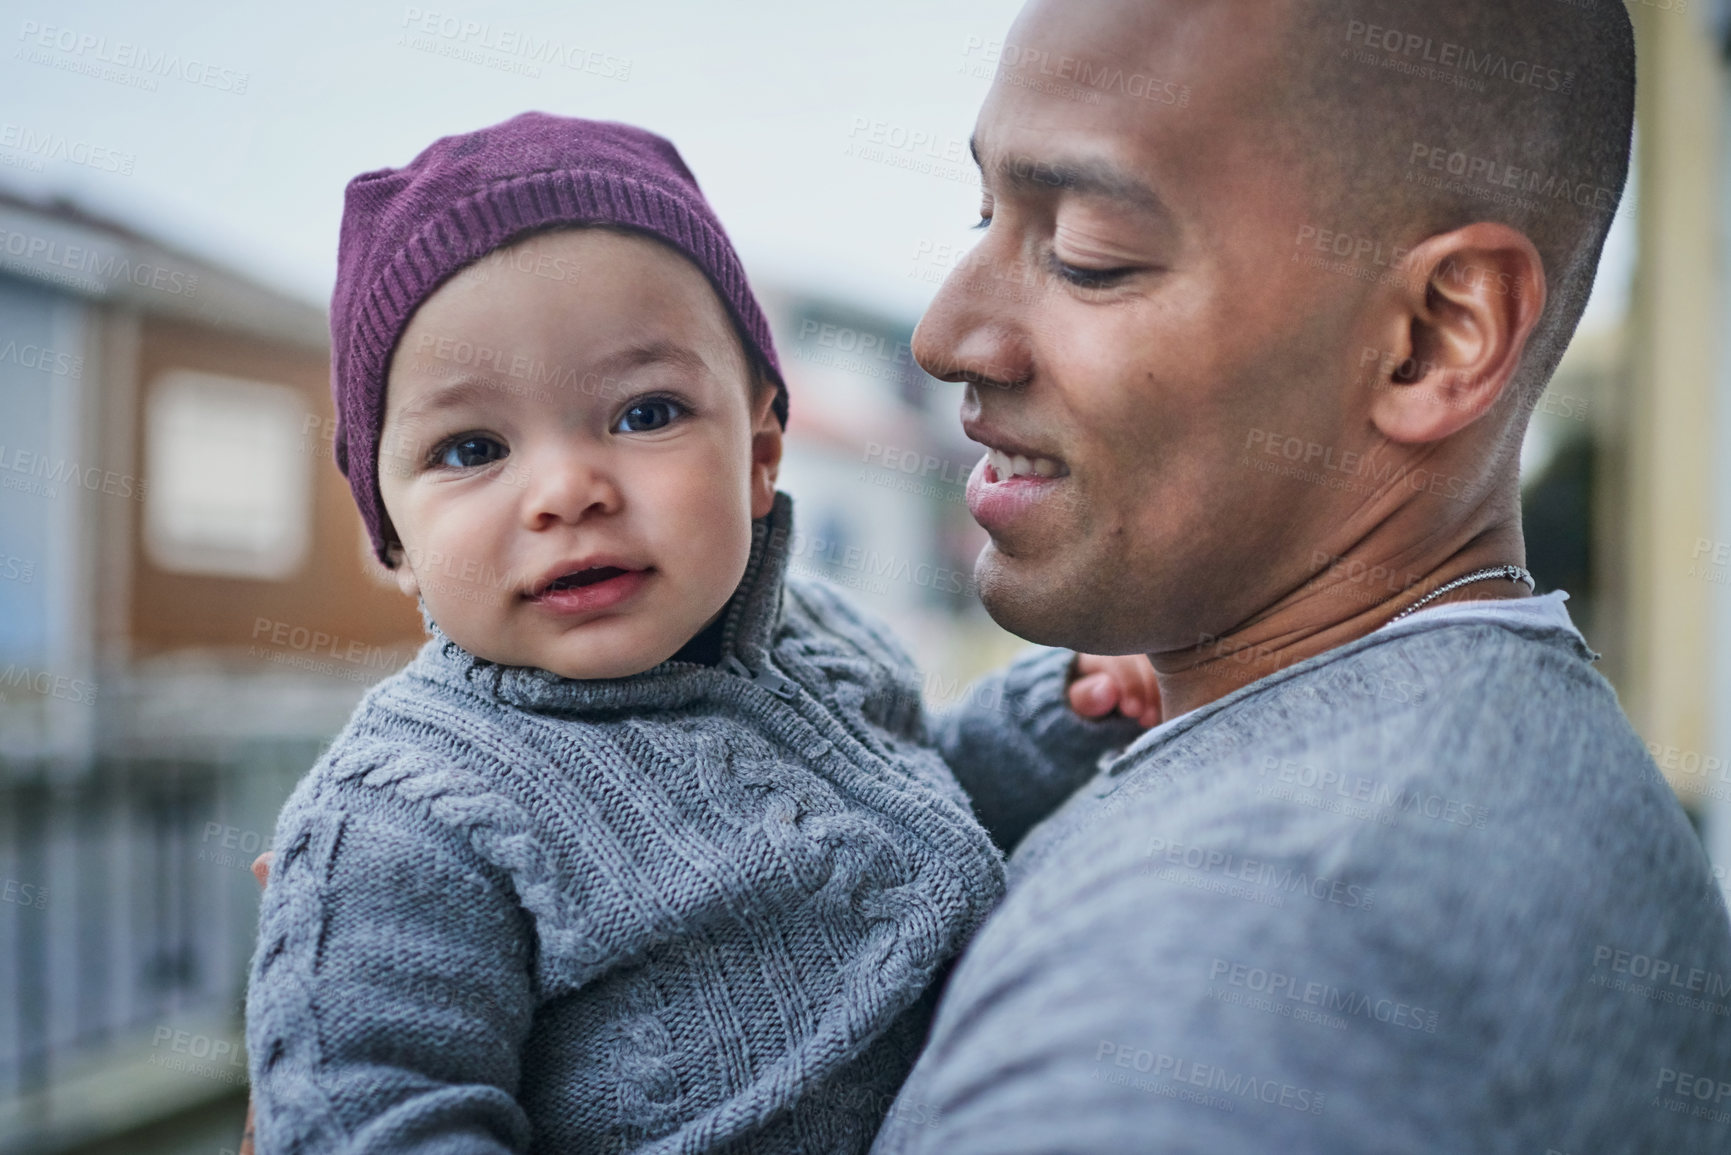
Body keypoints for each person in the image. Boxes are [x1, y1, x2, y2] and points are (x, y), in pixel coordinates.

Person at [866, 0, 1731, 1152]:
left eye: (1089, 255)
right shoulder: (1502, 771)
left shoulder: (1246, 965)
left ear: (1436, 336)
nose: (945, 333)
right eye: (986, 215)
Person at [241, 113, 1156, 1155]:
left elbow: (916, 803)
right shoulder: (406, 819)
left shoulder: (822, 639)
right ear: (391, 533)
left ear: (761, 451)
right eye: (471, 446)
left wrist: (1053, 710)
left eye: (643, 414)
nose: (568, 490)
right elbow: (373, 1119)